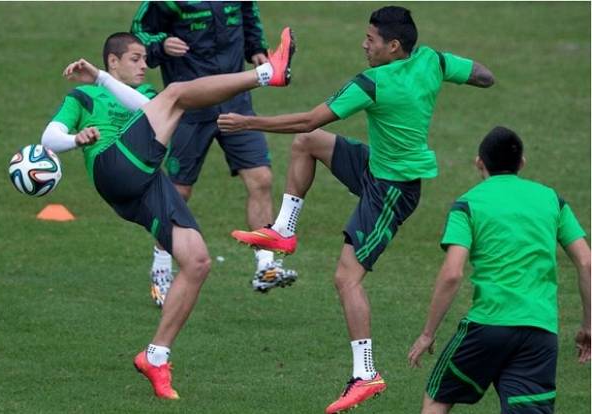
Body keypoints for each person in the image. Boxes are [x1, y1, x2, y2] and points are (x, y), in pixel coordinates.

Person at [219, 6, 494, 413]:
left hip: (392, 190)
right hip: (375, 165)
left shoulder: (372, 83)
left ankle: (365, 375)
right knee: (308, 144)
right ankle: (284, 229)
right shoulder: (432, 60)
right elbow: (484, 76)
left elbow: (309, 117)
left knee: (347, 278)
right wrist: (457, 77)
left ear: (393, 46)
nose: (364, 44)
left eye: (372, 39)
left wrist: (248, 124)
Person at [40, 29, 294, 400]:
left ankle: (155, 356)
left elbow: (143, 108)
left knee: (197, 261)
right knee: (176, 93)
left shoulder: (140, 96)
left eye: (145, 59)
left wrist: (101, 77)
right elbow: (50, 137)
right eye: (136, 59)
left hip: (143, 183)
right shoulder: (82, 96)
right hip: (114, 168)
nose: (145, 65)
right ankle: (265, 74)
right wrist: (75, 140)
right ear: (113, 60)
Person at [407, 126, 591, 414]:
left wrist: (428, 333)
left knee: (437, 397)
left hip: (488, 326)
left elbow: (453, 273)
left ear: (479, 162)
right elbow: (587, 262)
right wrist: (589, 325)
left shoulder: (467, 204)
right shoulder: (552, 200)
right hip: (540, 332)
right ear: (522, 163)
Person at [131, 1, 296, 305]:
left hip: (236, 101)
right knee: (178, 193)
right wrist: (162, 45)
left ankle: (265, 265)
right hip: (191, 106)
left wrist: (255, 49)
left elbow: (248, 14)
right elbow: (139, 34)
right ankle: (161, 268)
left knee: (260, 178)